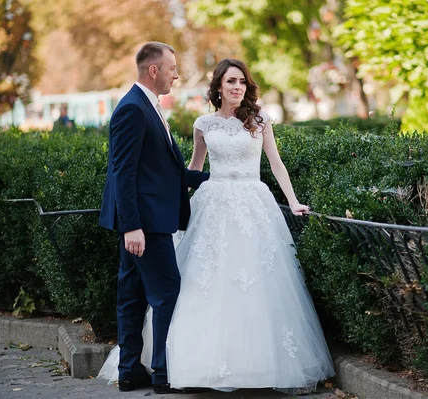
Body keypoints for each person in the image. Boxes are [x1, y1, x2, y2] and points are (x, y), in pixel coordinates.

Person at [99, 58, 335, 394]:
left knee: (258, 281)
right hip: (213, 205)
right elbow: (190, 171)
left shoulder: (260, 120)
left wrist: (293, 200)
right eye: (230, 82)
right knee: (198, 281)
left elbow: (276, 164)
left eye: (242, 81)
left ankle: (260, 364)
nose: (237, 87)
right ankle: (183, 364)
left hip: (254, 203)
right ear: (218, 88)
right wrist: (182, 206)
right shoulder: (203, 125)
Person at [97, 42, 209, 395]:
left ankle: (130, 371)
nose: (177, 74)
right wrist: (132, 226)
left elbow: (165, 170)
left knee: (131, 295)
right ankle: (162, 371)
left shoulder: (147, 105)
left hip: (145, 221)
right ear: (154, 70)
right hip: (146, 224)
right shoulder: (132, 109)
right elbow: (123, 173)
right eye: (173, 68)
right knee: (166, 293)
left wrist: (214, 179)